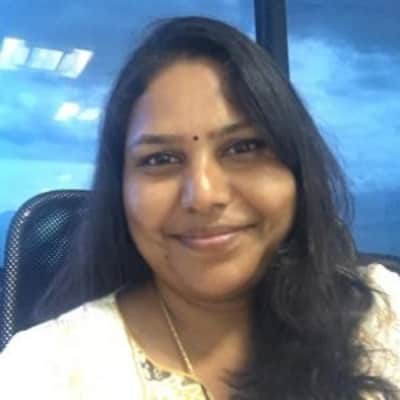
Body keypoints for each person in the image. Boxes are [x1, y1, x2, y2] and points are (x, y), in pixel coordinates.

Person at [0, 16, 399, 400]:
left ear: (296, 168)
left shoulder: (384, 319)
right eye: (160, 159)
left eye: (243, 147)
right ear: (120, 190)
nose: (204, 195)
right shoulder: (43, 371)